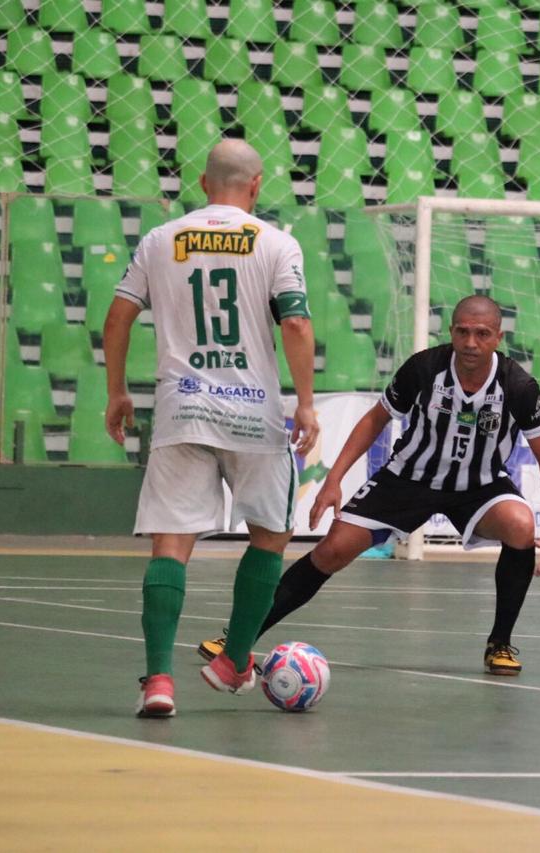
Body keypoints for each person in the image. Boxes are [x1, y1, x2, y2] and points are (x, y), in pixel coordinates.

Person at [198, 294, 540, 676]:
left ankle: (500, 643)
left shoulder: (518, 386)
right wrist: (334, 479)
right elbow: (375, 420)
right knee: (332, 550)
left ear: (498, 337)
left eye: (482, 334)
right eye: (463, 332)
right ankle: (239, 638)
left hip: (479, 486)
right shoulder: (424, 369)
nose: (471, 342)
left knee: (521, 526)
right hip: (407, 480)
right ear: (451, 331)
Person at [104, 139, 319, 718]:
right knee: (270, 535)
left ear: (203, 184)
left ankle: (158, 681)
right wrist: (305, 403)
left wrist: (118, 392)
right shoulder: (276, 243)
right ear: (257, 184)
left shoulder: (161, 239)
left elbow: (118, 316)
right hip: (253, 413)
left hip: (184, 409)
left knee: (171, 546)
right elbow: (295, 323)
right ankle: (234, 661)